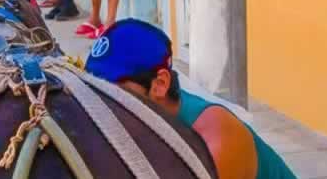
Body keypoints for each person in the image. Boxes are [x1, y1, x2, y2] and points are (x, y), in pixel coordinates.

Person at [85, 20, 297, 179]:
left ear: (160, 84)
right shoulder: (141, 120)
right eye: (94, 87)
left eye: (114, 91)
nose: (102, 100)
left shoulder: (216, 140)